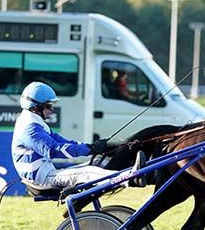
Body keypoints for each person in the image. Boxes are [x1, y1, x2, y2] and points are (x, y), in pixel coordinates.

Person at [11, 81, 146, 191]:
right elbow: (54, 150)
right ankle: (131, 178)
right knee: (88, 173)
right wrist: (90, 149)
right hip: (41, 179)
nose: (52, 110)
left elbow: (64, 142)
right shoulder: (29, 128)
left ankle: (133, 170)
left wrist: (93, 147)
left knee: (100, 162)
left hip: (48, 172)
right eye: (48, 106)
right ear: (35, 107)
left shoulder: (35, 121)